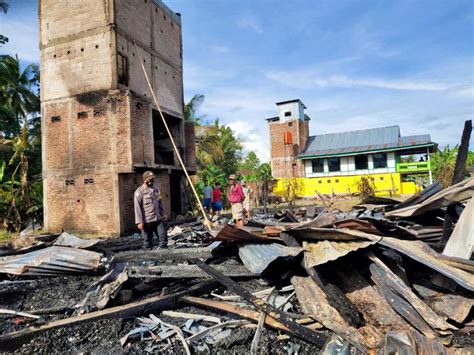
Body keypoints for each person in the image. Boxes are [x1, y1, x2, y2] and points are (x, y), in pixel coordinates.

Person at [134, 171, 168, 249]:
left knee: (163, 240)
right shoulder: (139, 192)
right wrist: (139, 222)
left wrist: (163, 213)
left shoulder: (156, 190)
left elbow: (160, 202)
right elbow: (137, 207)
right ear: (145, 180)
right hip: (147, 221)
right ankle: (149, 260)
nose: (152, 181)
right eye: (150, 179)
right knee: (147, 243)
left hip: (158, 219)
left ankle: (164, 258)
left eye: (153, 179)